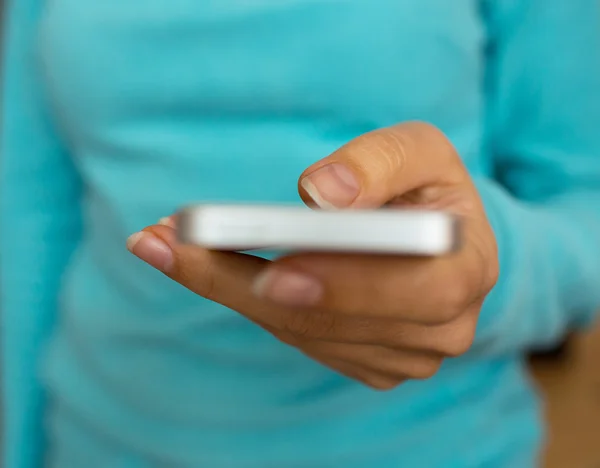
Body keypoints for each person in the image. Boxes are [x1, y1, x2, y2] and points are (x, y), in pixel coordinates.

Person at [2, 1, 600, 466]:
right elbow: (32, 224)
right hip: (96, 437)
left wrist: (488, 263)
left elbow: (585, 205)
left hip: (424, 449)